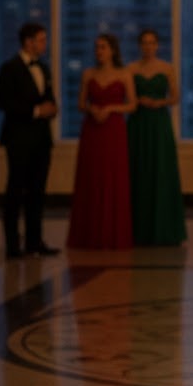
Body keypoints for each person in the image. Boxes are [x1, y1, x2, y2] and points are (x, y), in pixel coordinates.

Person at [0, 22, 59, 259]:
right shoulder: (9, 68)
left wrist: (51, 109)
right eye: (41, 40)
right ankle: (12, 244)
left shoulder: (44, 68)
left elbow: (49, 98)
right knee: (16, 190)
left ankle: (35, 240)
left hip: (42, 138)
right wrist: (34, 111)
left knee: (37, 191)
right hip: (19, 137)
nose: (44, 44)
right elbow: (3, 102)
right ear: (28, 42)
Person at [67, 34, 136, 250]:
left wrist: (110, 109)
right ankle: (89, 233)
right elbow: (80, 103)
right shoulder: (88, 74)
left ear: (113, 50)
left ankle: (113, 233)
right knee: (91, 176)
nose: (99, 51)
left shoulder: (124, 74)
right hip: (92, 130)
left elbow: (132, 104)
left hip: (114, 129)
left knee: (113, 177)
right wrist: (92, 109)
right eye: (97, 47)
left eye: (103, 47)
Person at [127, 28, 186, 246]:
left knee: (161, 171)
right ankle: (137, 230)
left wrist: (158, 103)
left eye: (152, 42)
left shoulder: (167, 68)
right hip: (138, 124)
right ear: (139, 45)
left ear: (157, 45)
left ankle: (164, 229)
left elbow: (175, 96)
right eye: (144, 42)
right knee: (138, 171)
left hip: (159, 124)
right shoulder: (131, 69)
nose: (148, 46)